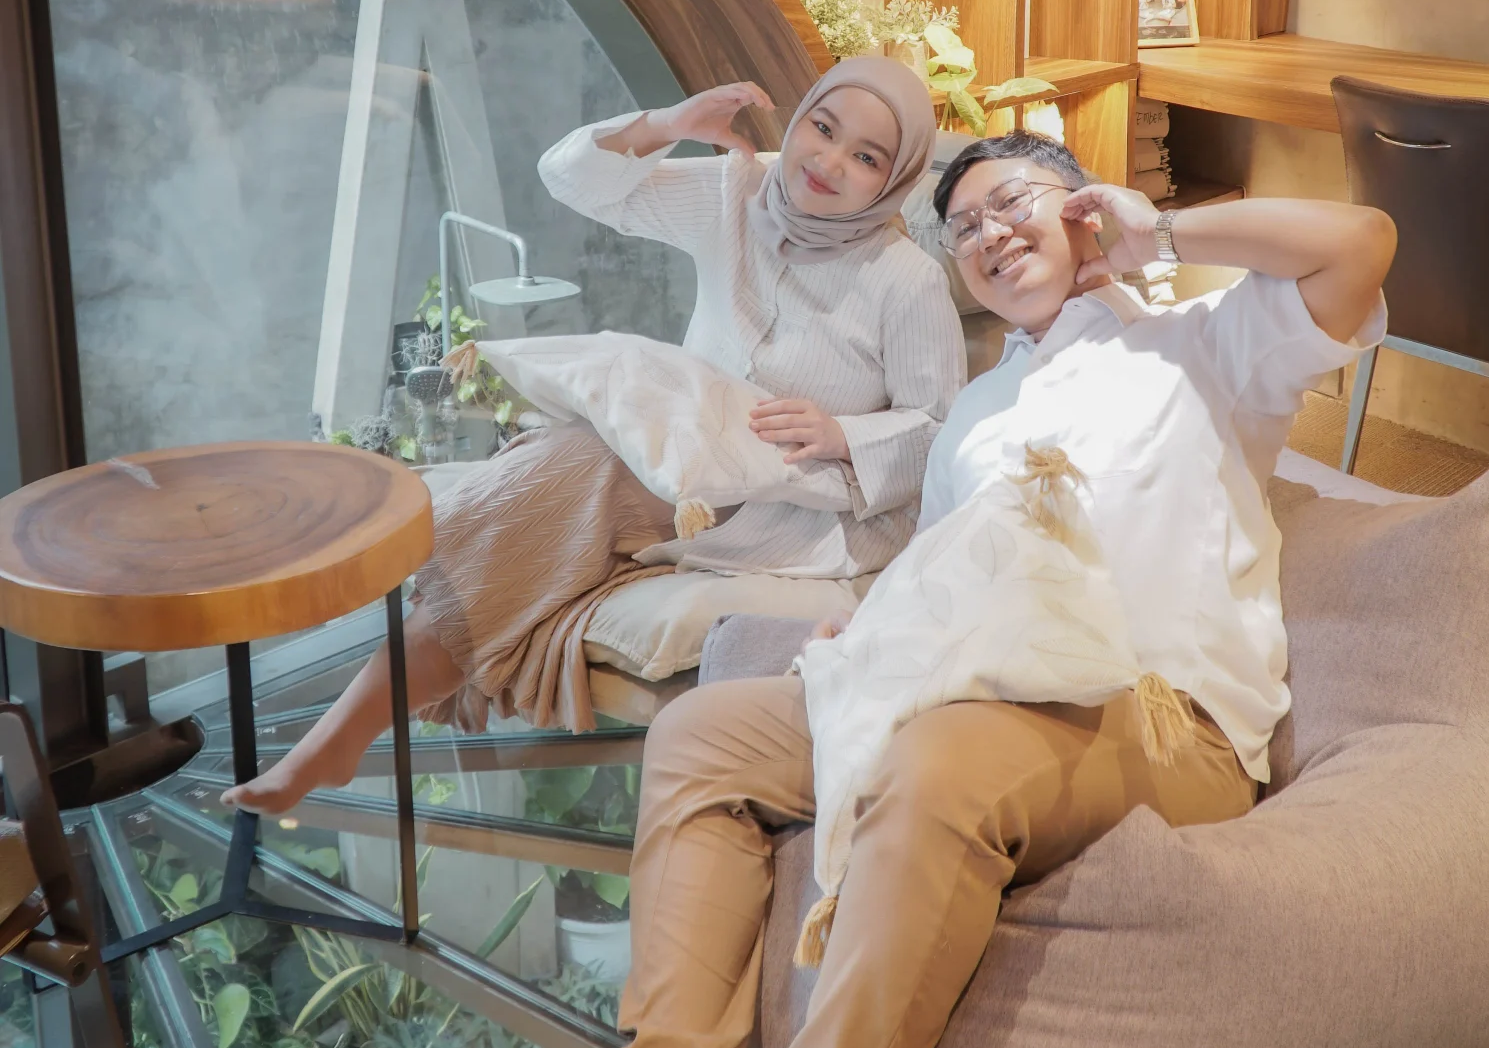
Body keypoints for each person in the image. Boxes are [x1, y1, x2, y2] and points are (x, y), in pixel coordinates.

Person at [469, 131, 1395, 1048]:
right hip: (963, 676)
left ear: (1081, 208)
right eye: (963, 227)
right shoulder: (978, 412)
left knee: (938, 765)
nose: (988, 234)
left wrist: (1161, 231)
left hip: (1153, 713)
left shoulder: (1204, 342)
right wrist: (865, 629)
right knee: (701, 734)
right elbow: (942, 571)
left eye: (1013, 202)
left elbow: (1362, 244)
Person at [224, 57, 964, 815]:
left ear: (895, 178)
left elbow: (942, 429)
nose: (828, 162)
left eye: (866, 157)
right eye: (823, 128)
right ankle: (340, 733)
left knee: (555, 480)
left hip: (786, 498)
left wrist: (842, 432)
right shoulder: (738, 190)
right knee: (547, 482)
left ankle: (337, 719)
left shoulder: (905, 279)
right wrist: (667, 125)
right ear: (799, 118)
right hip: (664, 448)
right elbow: (570, 177)